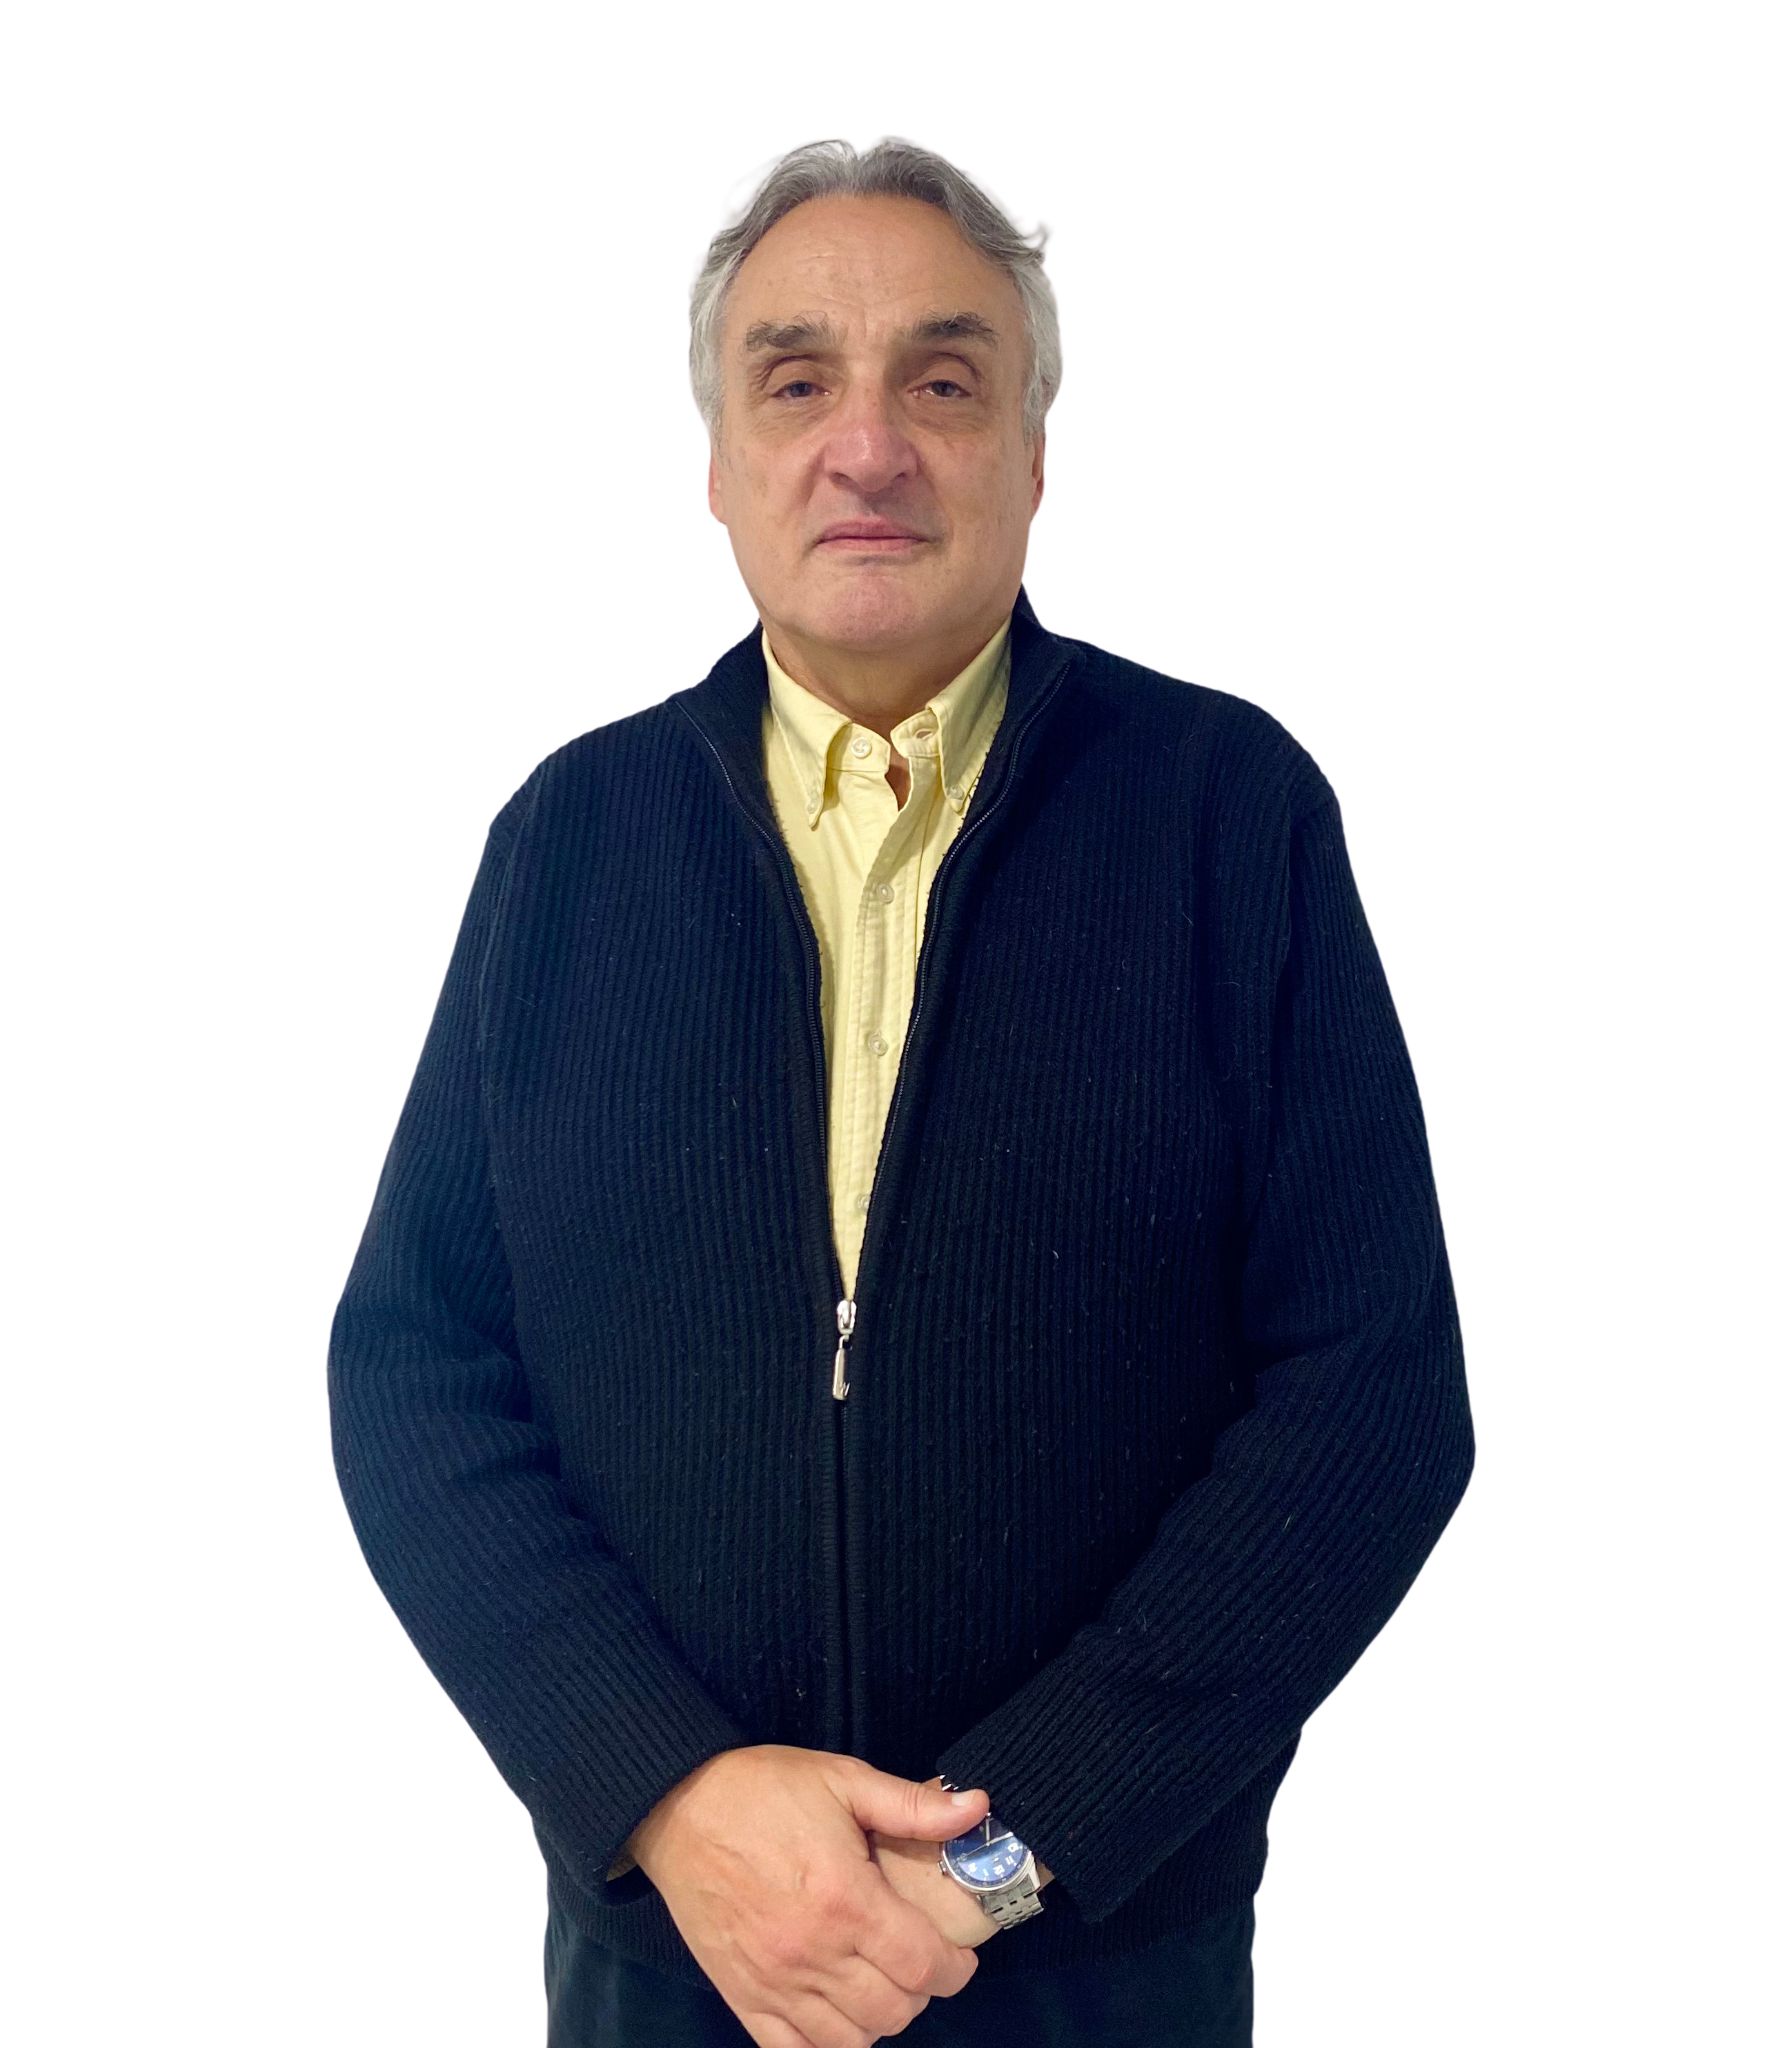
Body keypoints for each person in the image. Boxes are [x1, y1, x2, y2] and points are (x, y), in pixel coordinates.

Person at [328, 135, 1475, 2048]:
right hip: (674, 1958)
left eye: (943, 382)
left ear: (1033, 452)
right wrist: (667, 1798)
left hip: (1099, 1962)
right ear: (719, 463)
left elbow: (1374, 1403)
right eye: (796, 383)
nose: (867, 446)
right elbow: (414, 1368)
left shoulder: (1229, 818)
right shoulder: (570, 840)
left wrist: (1002, 1859)